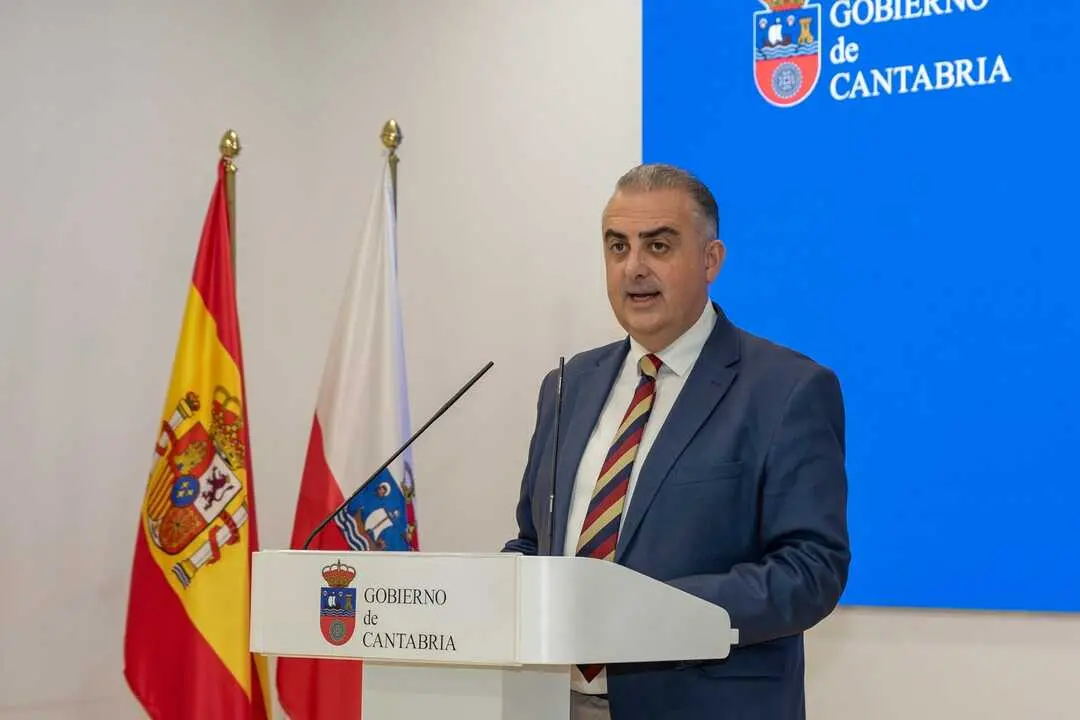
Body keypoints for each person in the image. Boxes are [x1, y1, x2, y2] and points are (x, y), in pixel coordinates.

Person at [502, 163, 850, 720]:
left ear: (711, 260)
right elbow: (531, 540)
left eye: (658, 245)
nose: (633, 267)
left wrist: (652, 612)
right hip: (552, 703)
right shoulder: (566, 385)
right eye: (617, 247)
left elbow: (811, 570)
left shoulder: (787, 389)